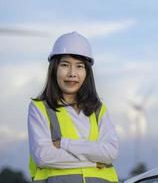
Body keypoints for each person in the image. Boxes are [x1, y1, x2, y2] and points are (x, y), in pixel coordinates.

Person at [27, 32, 119, 183]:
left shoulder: (99, 110)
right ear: (54, 69)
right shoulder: (39, 108)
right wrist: (95, 161)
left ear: (87, 72)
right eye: (65, 65)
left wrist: (64, 143)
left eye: (79, 66)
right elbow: (43, 156)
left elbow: (110, 153)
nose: (72, 73)